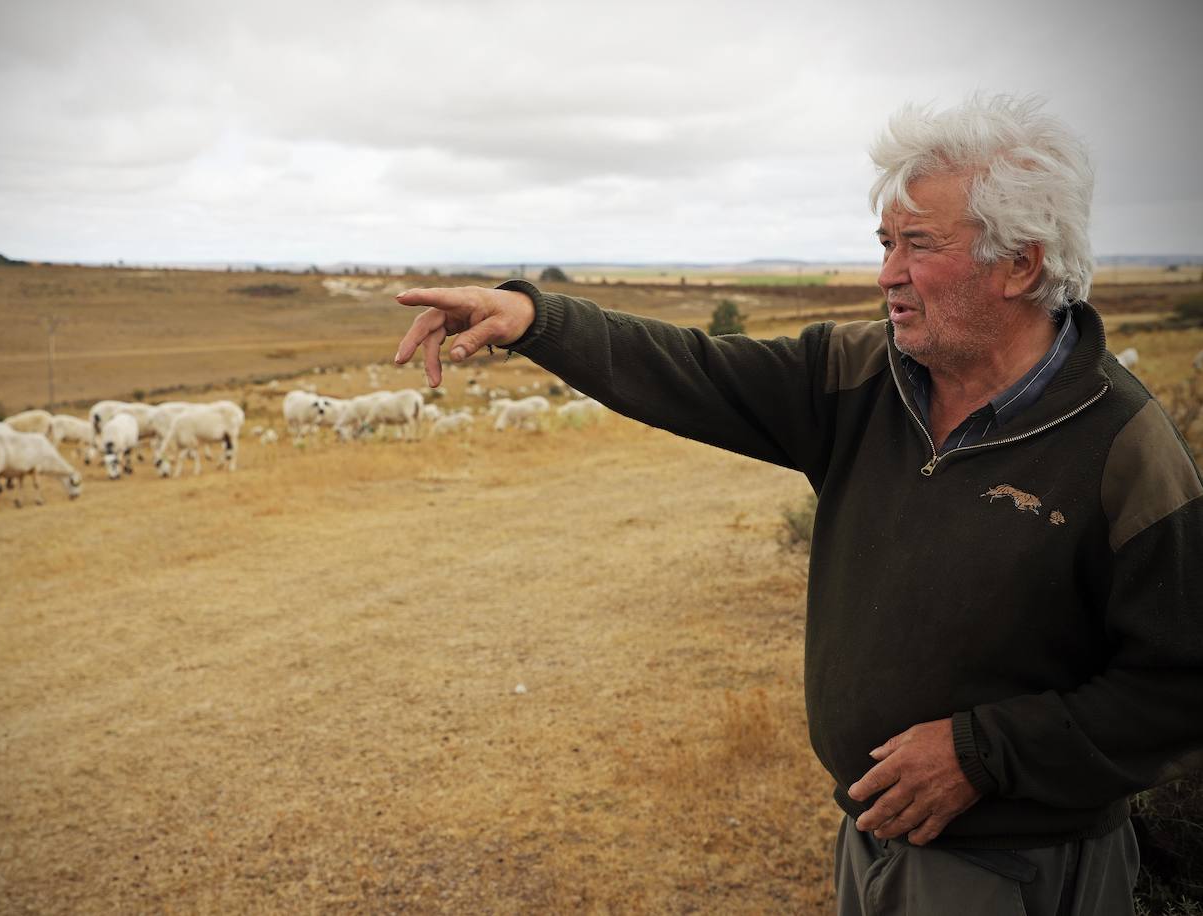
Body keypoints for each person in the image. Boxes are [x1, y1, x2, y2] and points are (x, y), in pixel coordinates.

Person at [392, 94, 1203, 915]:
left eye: (918, 246)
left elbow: (1177, 689)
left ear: (1021, 264)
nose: (887, 273)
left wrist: (981, 754)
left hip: (1023, 869)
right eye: (886, 243)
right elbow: (694, 371)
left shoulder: (1121, 448)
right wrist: (534, 318)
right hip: (874, 843)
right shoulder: (857, 375)